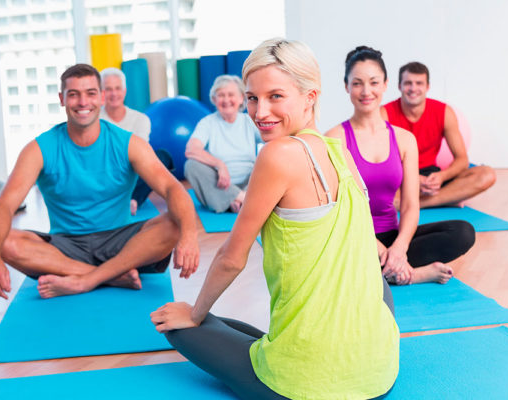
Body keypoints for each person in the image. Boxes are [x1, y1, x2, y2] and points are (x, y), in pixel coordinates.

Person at [151, 39, 398, 400]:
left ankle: (283, 353)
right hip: (380, 367)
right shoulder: (337, 147)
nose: (259, 111)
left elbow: (231, 258)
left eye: (275, 97)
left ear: (310, 96)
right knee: (374, 287)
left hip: (310, 383)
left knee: (178, 322)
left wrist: (194, 314)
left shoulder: (277, 154)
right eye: (252, 98)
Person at [0, 64, 199, 300]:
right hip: (65, 249)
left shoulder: (128, 143)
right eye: (73, 94)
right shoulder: (39, 149)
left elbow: (172, 188)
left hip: (123, 244)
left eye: (91, 93)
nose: (83, 102)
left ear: (102, 97)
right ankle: (110, 276)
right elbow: (4, 204)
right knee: (4, 242)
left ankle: (86, 280)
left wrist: (189, 236)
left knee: (175, 224)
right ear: (62, 99)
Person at [326, 46, 475, 285]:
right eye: (357, 83)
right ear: (346, 87)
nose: (366, 91)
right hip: (352, 237)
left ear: (385, 85)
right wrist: (382, 252)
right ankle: (411, 275)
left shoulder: (404, 139)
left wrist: (399, 248)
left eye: (374, 82)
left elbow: (409, 205)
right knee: (329, 258)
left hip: (392, 235)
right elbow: (337, 211)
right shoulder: (334, 138)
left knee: (463, 232)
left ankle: (382, 272)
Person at [381, 61, 496, 208]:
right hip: (400, 177)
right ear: (399, 86)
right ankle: (448, 198)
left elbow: (462, 159)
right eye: (408, 83)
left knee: (487, 174)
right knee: (378, 194)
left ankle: (420, 203)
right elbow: (380, 163)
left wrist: (441, 177)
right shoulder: (384, 114)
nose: (413, 88)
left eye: (419, 83)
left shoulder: (444, 112)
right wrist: (413, 179)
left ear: (427, 87)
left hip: (432, 176)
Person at [100, 67, 174, 215]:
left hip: (133, 170)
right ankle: (117, 199)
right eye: (108, 89)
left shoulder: (140, 119)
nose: (114, 94)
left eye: (117, 88)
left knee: (162, 156)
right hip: (107, 174)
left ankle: (133, 199)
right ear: (102, 92)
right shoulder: (95, 120)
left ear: (124, 91)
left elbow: (141, 153)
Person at [184, 75, 262, 213]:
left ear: (240, 99)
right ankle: (242, 199)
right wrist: (220, 165)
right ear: (214, 100)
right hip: (220, 184)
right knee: (191, 165)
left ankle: (235, 200)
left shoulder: (249, 121)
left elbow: (272, 140)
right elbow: (191, 149)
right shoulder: (208, 122)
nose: (226, 100)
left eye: (231, 95)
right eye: (221, 95)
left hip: (249, 182)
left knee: (268, 161)